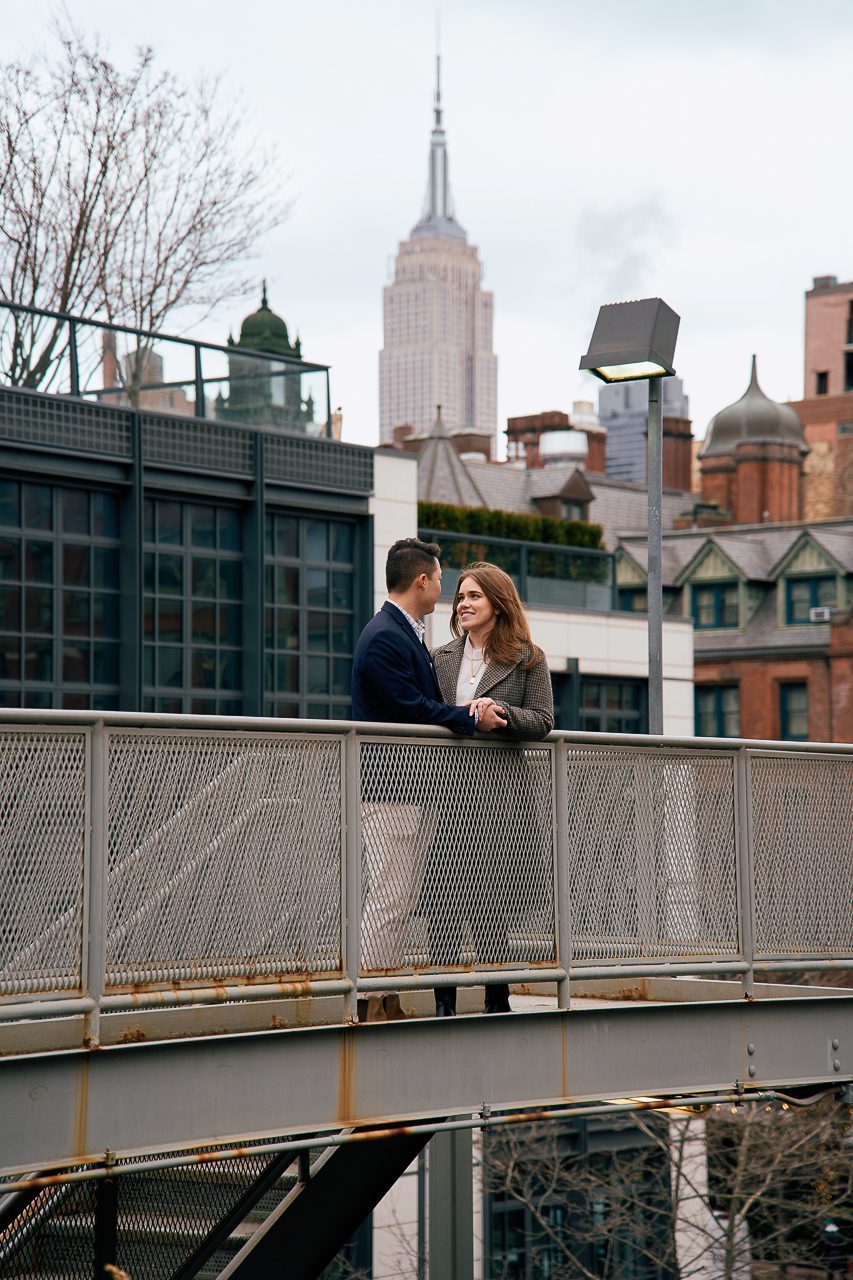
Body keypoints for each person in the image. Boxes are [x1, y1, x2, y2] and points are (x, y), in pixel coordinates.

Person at [351, 539, 507, 1022]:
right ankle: (366, 999)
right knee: (390, 896)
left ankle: (384, 993)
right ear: (422, 580)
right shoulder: (384, 636)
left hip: (407, 791)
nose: (446, 588)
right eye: (441, 579)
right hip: (391, 789)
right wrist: (468, 716)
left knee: (398, 896)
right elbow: (410, 709)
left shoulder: (404, 632)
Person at [429, 561, 554, 1016]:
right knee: (441, 900)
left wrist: (500, 712)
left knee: (492, 902)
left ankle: (495, 1000)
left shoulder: (527, 657)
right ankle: (444, 1004)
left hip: (500, 796)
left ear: (498, 604)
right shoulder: (440, 657)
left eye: (474, 596)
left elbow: (542, 721)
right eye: (460, 596)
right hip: (446, 793)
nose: (463, 604)